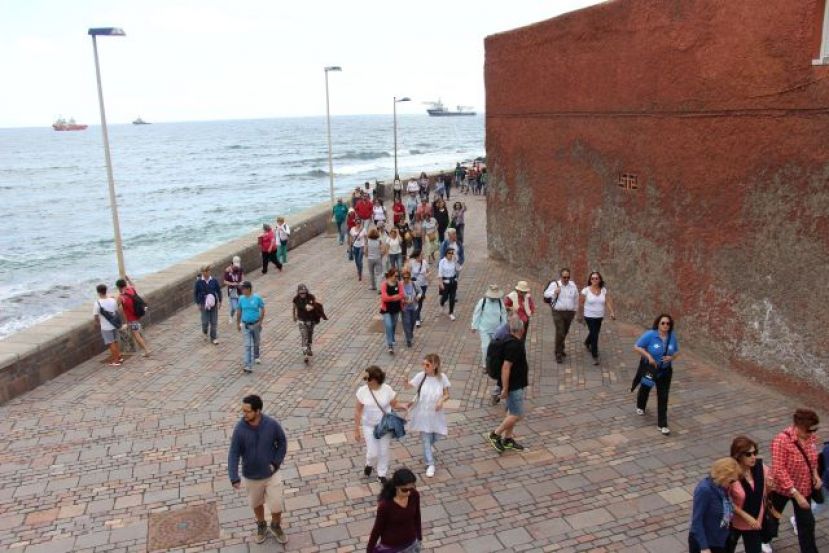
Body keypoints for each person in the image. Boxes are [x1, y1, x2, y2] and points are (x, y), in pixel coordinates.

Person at [228, 394, 288, 545]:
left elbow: (282, 442)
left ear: (258, 411)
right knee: (256, 504)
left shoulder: (272, 425)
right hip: (251, 476)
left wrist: (275, 463)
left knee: (276, 505)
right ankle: (261, 525)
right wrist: (234, 476)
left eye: (247, 411)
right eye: (243, 411)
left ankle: (275, 525)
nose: (244, 414)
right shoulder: (240, 430)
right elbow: (234, 453)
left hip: (271, 475)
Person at [770, 408, 822, 553]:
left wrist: (815, 475)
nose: (811, 435)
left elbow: (812, 459)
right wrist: (795, 493)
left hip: (804, 487)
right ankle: (765, 539)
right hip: (782, 489)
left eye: (813, 431)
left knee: (807, 524)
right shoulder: (782, 440)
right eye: (808, 431)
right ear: (798, 426)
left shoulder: (809, 437)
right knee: (773, 517)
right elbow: (779, 469)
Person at [355, 366, 406, 484]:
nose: (365, 381)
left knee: (383, 451)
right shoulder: (362, 391)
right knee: (373, 452)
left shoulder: (387, 389)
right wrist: (356, 430)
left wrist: (403, 406)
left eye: (367, 379)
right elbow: (357, 411)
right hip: (368, 425)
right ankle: (369, 463)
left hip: (384, 426)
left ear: (375, 379)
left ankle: (381, 474)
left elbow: (394, 404)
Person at [632, 313, 680, 435]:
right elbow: (637, 347)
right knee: (645, 388)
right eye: (663, 323)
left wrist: (671, 357)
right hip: (651, 369)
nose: (665, 325)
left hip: (665, 371)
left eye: (668, 323)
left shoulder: (672, 337)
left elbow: (677, 352)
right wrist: (648, 356)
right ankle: (641, 405)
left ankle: (662, 424)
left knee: (663, 397)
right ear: (658, 324)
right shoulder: (650, 335)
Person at [485, 317, 528, 452]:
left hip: (515, 383)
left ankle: (508, 439)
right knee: (518, 414)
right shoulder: (514, 345)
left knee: (511, 412)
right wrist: (505, 388)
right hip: (513, 385)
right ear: (522, 329)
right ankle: (495, 434)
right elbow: (506, 367)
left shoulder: (508, 340)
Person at [726, 436, 775, 553]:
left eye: (755, 453)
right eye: (748, 454)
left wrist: (769, 487)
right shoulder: (731, 474)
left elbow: (765, 495)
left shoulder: (760, 468)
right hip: (734, 522)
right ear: (739, 456)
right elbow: (726, 501)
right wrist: (746, 517)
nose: (753, 457)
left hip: (755, 521)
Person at [407, 354, 450, 477]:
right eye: (423, 364)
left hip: (436, 414)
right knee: (426, 438)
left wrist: (441, 400)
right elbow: (409, 386)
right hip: (423, 413)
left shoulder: (442, 378)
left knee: (438, 434)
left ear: (435, 365)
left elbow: (447, 394)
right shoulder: (421, 376)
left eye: (427, 365)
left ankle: (428, 449)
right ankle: (430, 463)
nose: (424, 367)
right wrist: (405, 382)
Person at [688, 457, 742, 553]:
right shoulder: (705, 490)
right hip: (707, 543)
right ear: (723, 476)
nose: (732, 484)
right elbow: (697, 521)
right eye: (731, 481)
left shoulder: (722, 487)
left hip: (721, 539)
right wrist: (704, 547)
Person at [367, 468, 422, 553]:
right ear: (396, 486)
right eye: (404, 490)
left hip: (411, 544)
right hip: (392, 548)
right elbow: (377, 529)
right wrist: (369, 550)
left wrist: (419, 537)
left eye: (411, 488)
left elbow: (417, 517)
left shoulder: (414, 495)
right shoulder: (385, 506)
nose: (408, 493)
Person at [578, 271, 616, 365]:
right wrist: (580, 315)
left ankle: (587, 342)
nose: (594, 280)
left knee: (594, 332)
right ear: (590, 280)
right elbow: (581, 303)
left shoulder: (603, 290)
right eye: (592, 278)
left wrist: (611, 312)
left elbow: (607, 301)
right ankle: (595, 355)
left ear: (599, 280)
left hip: (599, 316)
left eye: (596, 278)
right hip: (589, 316)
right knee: (595, 335)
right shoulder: (585, 290)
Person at [543, 268, 579, 363]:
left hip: (569, 313)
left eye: (568, 277)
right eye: (564, 277)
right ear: (561, 276)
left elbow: (576, 298)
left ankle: (561, 347)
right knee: (560, 332)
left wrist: (575, 310)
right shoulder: (555, 284)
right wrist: (554, 292)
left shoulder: (573, 286)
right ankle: (558, 353)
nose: (566, 279)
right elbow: (546, 295)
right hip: (558, 312)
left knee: (565, 331)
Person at [471, 285, 508, 368]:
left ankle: (495, 362)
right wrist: (474, 326)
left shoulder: (500, 302)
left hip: (496, 329)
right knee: (486, 346)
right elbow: (477, 313)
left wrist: (504, 326)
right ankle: (485, 365)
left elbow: (503, 314)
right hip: (484, 329)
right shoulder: (482, 301)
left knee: (497, 346)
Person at [116, 276, 150, 357]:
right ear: (125, 285)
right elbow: (133, 285)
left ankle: (146, 351)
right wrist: (128, 280)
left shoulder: (121, 297)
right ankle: (144, 348)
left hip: (132, 319)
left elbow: (115, 306)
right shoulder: (131, 289)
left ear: (118, 287)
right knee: (136, 332)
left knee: (136, 335)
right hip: (136, 315)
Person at [235, 281, 265, 373]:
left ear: (248, 289)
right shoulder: (241, 299)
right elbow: (239, 311)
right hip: (246, 325)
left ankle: (256, 356)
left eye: (243, 288)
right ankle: (247, 365)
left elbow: (262, 309)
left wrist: (260, 321)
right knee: (247, 345)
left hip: (255, 324)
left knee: (256, 342)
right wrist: (238, 323)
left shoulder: (257, 298)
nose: (242, 290)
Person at [93, 283, 124, 366]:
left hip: (106, 327)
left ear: (98, 292)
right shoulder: (112, 300)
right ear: (105, 291)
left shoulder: (97, 303)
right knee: (116, 341)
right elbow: (116, 310)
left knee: (111, 343)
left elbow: (96, 316)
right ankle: (119, 356)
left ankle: (116, 361)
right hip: (114, 324)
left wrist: (97, 323)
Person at [194, 264, 222, 344]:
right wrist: (198, 303)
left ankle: (213, 338)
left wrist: (220, 301)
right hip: (203, 303)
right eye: (204, 271)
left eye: (208, 271)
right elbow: (195, 293)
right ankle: (205, 331)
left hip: (213, 303)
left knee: (214, 322)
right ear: (202, 272)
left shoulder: (214, 281)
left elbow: (218, 291)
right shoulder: (198, 282)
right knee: (205, 322)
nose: (206, 273)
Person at [292, 284, 319, 362]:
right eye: (301, 293)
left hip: (311, 320)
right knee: (304, 336)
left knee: (310, 335)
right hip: (301, 320)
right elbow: (294, 308)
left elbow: (315, 305)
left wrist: (312, 307)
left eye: (304, 293)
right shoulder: (296, 299)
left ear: (306, 292)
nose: (303, 294)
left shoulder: (311, 297)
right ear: (298, 292)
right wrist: (294, 316)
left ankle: (309, 348)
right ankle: (305, 355)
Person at [380, 269, 405, 354]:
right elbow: (384, 298)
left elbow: (402, 295)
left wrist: (392, 297)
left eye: (398, 276)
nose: (397, 278)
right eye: (395, 276)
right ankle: (390, 344)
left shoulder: (399, 284)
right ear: (390, 276)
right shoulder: (384, 284)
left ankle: (391, 336)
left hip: (396, 308)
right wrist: (394, 297)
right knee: (389, 325)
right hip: (386, 309)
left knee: (393, 325)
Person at [399, 269, 422, 347]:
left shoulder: (414, 284)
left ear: (409, 277)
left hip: (414, 307)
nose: (406, 279)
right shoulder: (400, 285)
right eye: (404, 277)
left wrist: (418, 297)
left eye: (407, 277)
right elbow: (398, 296)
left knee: (412, 322)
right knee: (407, 323)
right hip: (405, 308)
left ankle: (410, 333)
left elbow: (420, 292)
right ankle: (408, 339)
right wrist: (403, 301)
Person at [437, 248, 461, 321]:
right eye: (449, 253)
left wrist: (456, 261)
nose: (451, 255)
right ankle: (442, 303)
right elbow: (440, 273)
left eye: (452, 253)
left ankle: (451, 312)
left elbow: (458, 269)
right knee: (445, 297)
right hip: (445, 282)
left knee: (452, 298)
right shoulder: (442, 262)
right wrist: (441, 283)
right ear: (446, 254)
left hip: (453, 282)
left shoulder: (454, 261)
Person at [409, 250, 430, 328]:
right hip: (415, 285)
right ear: (416, 256)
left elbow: (428, 271)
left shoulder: (424, 262)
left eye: (422, 255)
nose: (422, 256)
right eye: (421, 255)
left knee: (420, 301)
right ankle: (417, 319)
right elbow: (408, 272)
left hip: (424, 284)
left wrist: (427, 275)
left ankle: (418, 315)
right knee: (417, 300)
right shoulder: (412, 262)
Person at [223, 256, 245, 325]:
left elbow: (242, 277)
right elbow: (225, 281)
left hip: (239, 290)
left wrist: (242, 283)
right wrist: (232, 283)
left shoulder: (240, 269)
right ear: (232, 264)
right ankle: (231, 316)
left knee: (240, 306)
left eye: (237, 266)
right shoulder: (227, 270)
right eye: (235, 266)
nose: (237, 267)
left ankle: (241, 320)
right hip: (232, 291)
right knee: (234, 307)